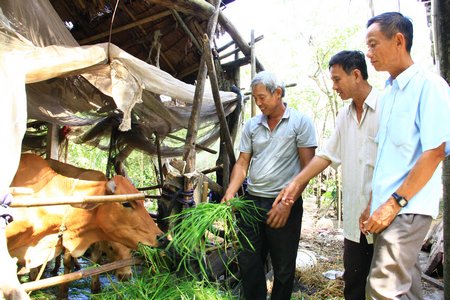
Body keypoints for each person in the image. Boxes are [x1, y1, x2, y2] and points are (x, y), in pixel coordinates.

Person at [273, 50, 379, 299]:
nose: (333, 87)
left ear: (356, 75)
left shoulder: (387, 107)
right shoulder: (345, 115)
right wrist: (296, 183)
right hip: (356, 220)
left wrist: (378, 202)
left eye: (336, 79)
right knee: (353, 283)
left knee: (384, 287)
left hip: (383, 216)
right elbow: (326, 155)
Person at [361, 12, 450, 299]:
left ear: (399, 40)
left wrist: (393, 203)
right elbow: (390, 158)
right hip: (387, 207)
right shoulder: (388, 95)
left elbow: (436, 151)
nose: (369, 53)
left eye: (373, 44)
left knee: (382, 290)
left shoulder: (429, 86)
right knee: (407, 288)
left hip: (406, 209)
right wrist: (373, 203)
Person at [221, 71, 317, 300]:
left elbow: (308, 168)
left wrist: (287, 202)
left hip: (283, 203)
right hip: (252, 202)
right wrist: (231, 192)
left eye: (262, 97)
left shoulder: (300, 122)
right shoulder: (252, 126)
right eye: (255, 98)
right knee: (248, 261)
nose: (259, 102)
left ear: (278, 93)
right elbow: (243, 162)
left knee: (283, 267)